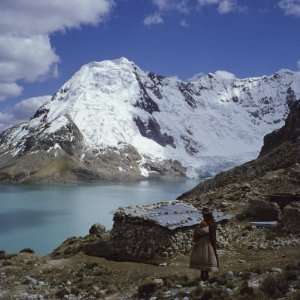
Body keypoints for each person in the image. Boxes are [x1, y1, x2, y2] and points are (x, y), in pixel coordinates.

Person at [190, 207, 219, 281]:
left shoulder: (206, 225)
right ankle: (205, 277)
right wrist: (214, 245)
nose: (203, 217)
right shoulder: (211, 224)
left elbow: (196, 235)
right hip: (207, 244)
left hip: (202, 245)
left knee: (203, 260)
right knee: (206, 260)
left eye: (204, 215)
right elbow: (212, 236)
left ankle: (203, 277)